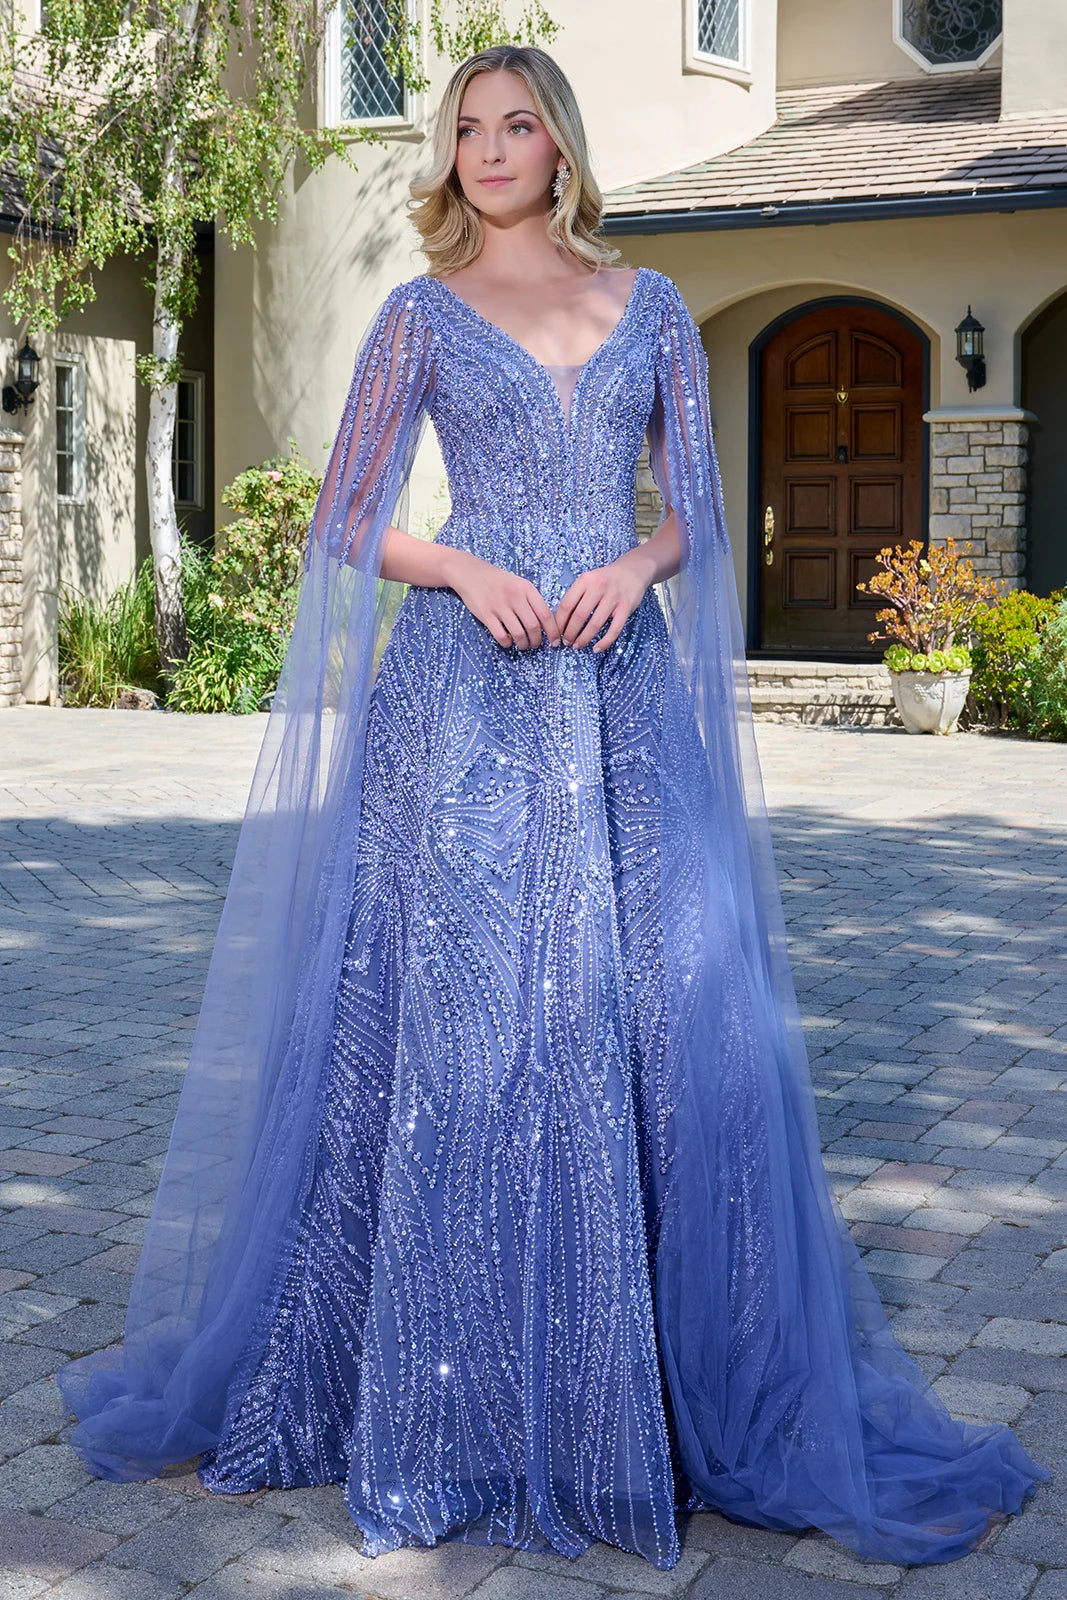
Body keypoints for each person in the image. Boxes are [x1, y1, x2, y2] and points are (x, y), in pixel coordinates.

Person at [57, 43, 1048, 1574]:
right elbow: (346, 521)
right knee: (457, 1030)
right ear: (451, 155)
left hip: (620, 700)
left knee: (645, 1018)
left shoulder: (650, 305)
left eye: (518, 123)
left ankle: (624, 1392)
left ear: (562, 147)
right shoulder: (418, 315)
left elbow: (696, 509)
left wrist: (634, 567)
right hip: (460, 705)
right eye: (469, 127)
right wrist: (463, 568)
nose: (492, 146)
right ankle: (437, 1394)